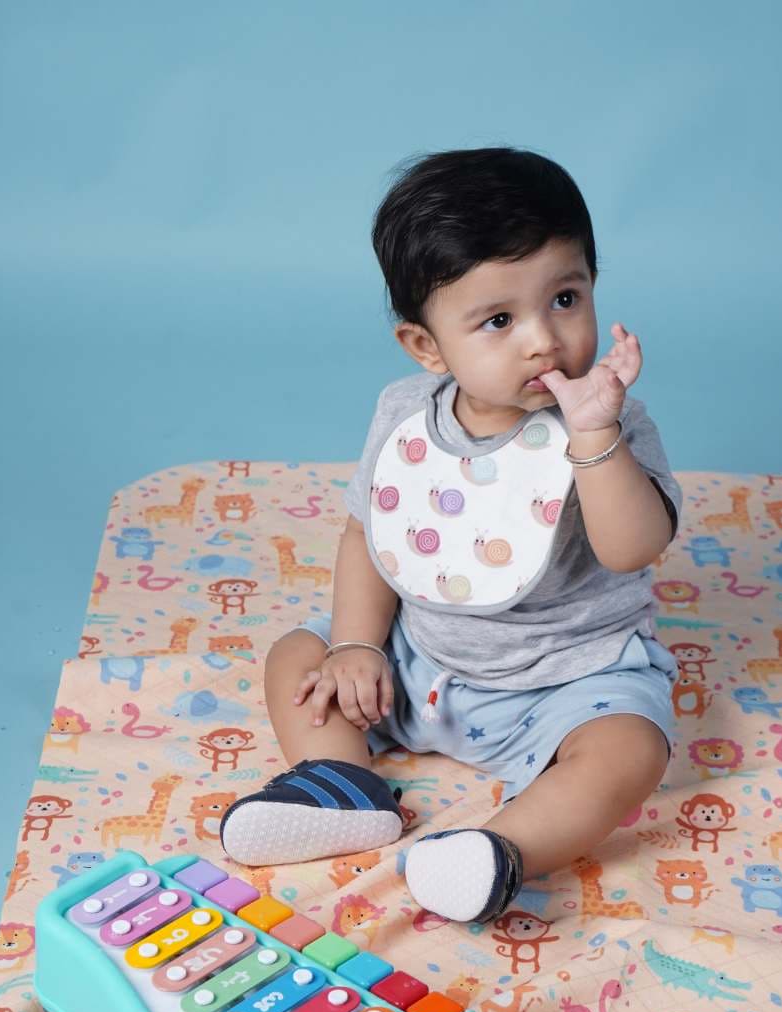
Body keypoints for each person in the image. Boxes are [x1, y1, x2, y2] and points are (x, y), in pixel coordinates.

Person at [220, 146, 683, 925]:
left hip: (569, 680)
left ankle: (499, 849)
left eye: (565, 298)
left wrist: (594, 437)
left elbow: (631, 549)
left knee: (632, 750)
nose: (543, 339)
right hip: (419, 660)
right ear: (427, 347)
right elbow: (370, 534)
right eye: (498, 320)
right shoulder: (406, 415)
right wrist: (360, 647)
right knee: (299, 658)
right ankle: (342, 785)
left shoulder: (609, 417)